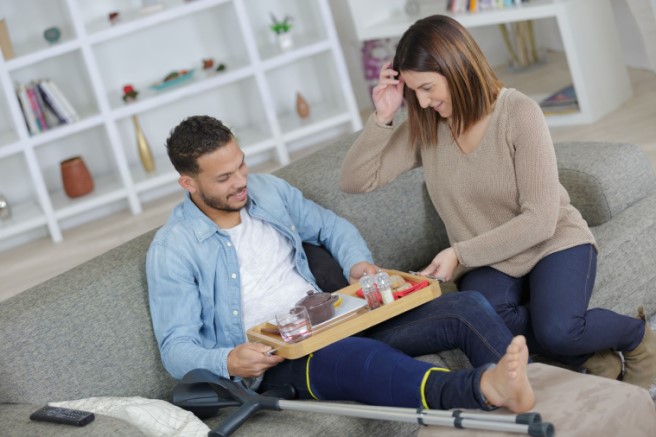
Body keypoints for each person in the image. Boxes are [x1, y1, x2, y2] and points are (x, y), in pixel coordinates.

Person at [339, 14, 656, 389]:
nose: (422, 102)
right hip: (490, 258)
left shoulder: (518, 112)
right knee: (485, 319)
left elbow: (540, 219)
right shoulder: (426, 128)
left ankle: (637, 337)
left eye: (427, 88)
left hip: (551, 240)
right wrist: (384, 115)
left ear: (456, 67)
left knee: (556, 330)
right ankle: (590, 354)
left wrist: (459, 254)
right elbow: (354, 180)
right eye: (414, 92)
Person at [147, 115, 535, 413]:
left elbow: (331, 226)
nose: (241, 181)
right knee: (363, 360)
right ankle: (483, 390)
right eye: (225, 178)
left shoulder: (268, 191)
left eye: (242, 165)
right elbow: (176, 348)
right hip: (280, 359)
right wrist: (228, 359)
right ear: (189, 184)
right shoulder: (173, 248)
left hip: (330, 318)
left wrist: (357, 263)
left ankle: (533, 395)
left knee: (464, 308)